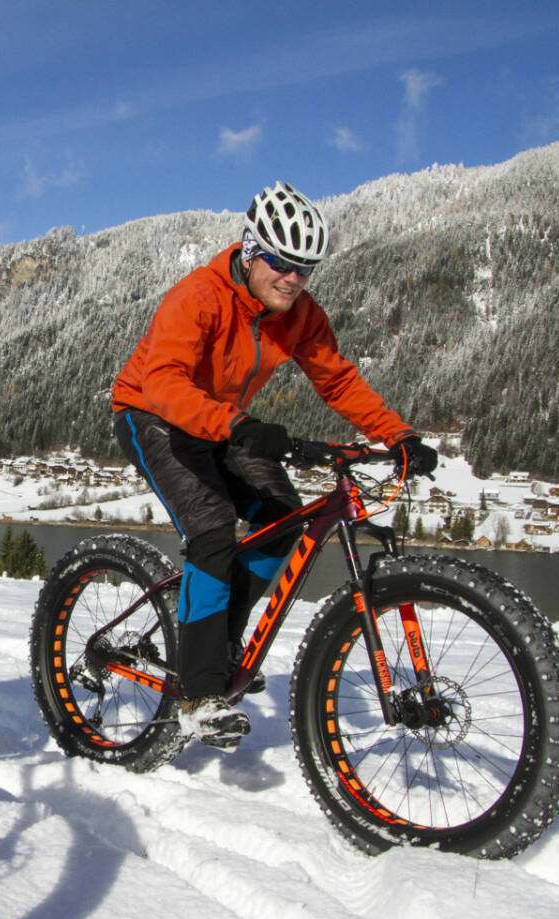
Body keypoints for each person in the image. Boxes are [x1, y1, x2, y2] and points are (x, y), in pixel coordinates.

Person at [110, 181, 436, 749]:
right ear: (251, 249)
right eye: (282, 263)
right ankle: (200, 689)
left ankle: (220, 639)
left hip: (224, 419)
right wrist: (237, 426)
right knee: (211, 532)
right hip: (153, 413)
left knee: (281, 516)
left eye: (305, 269)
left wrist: (397, 435)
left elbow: (336, 378)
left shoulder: (300, 314)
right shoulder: (199, 296)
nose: (292, 278)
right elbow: (163, 382)